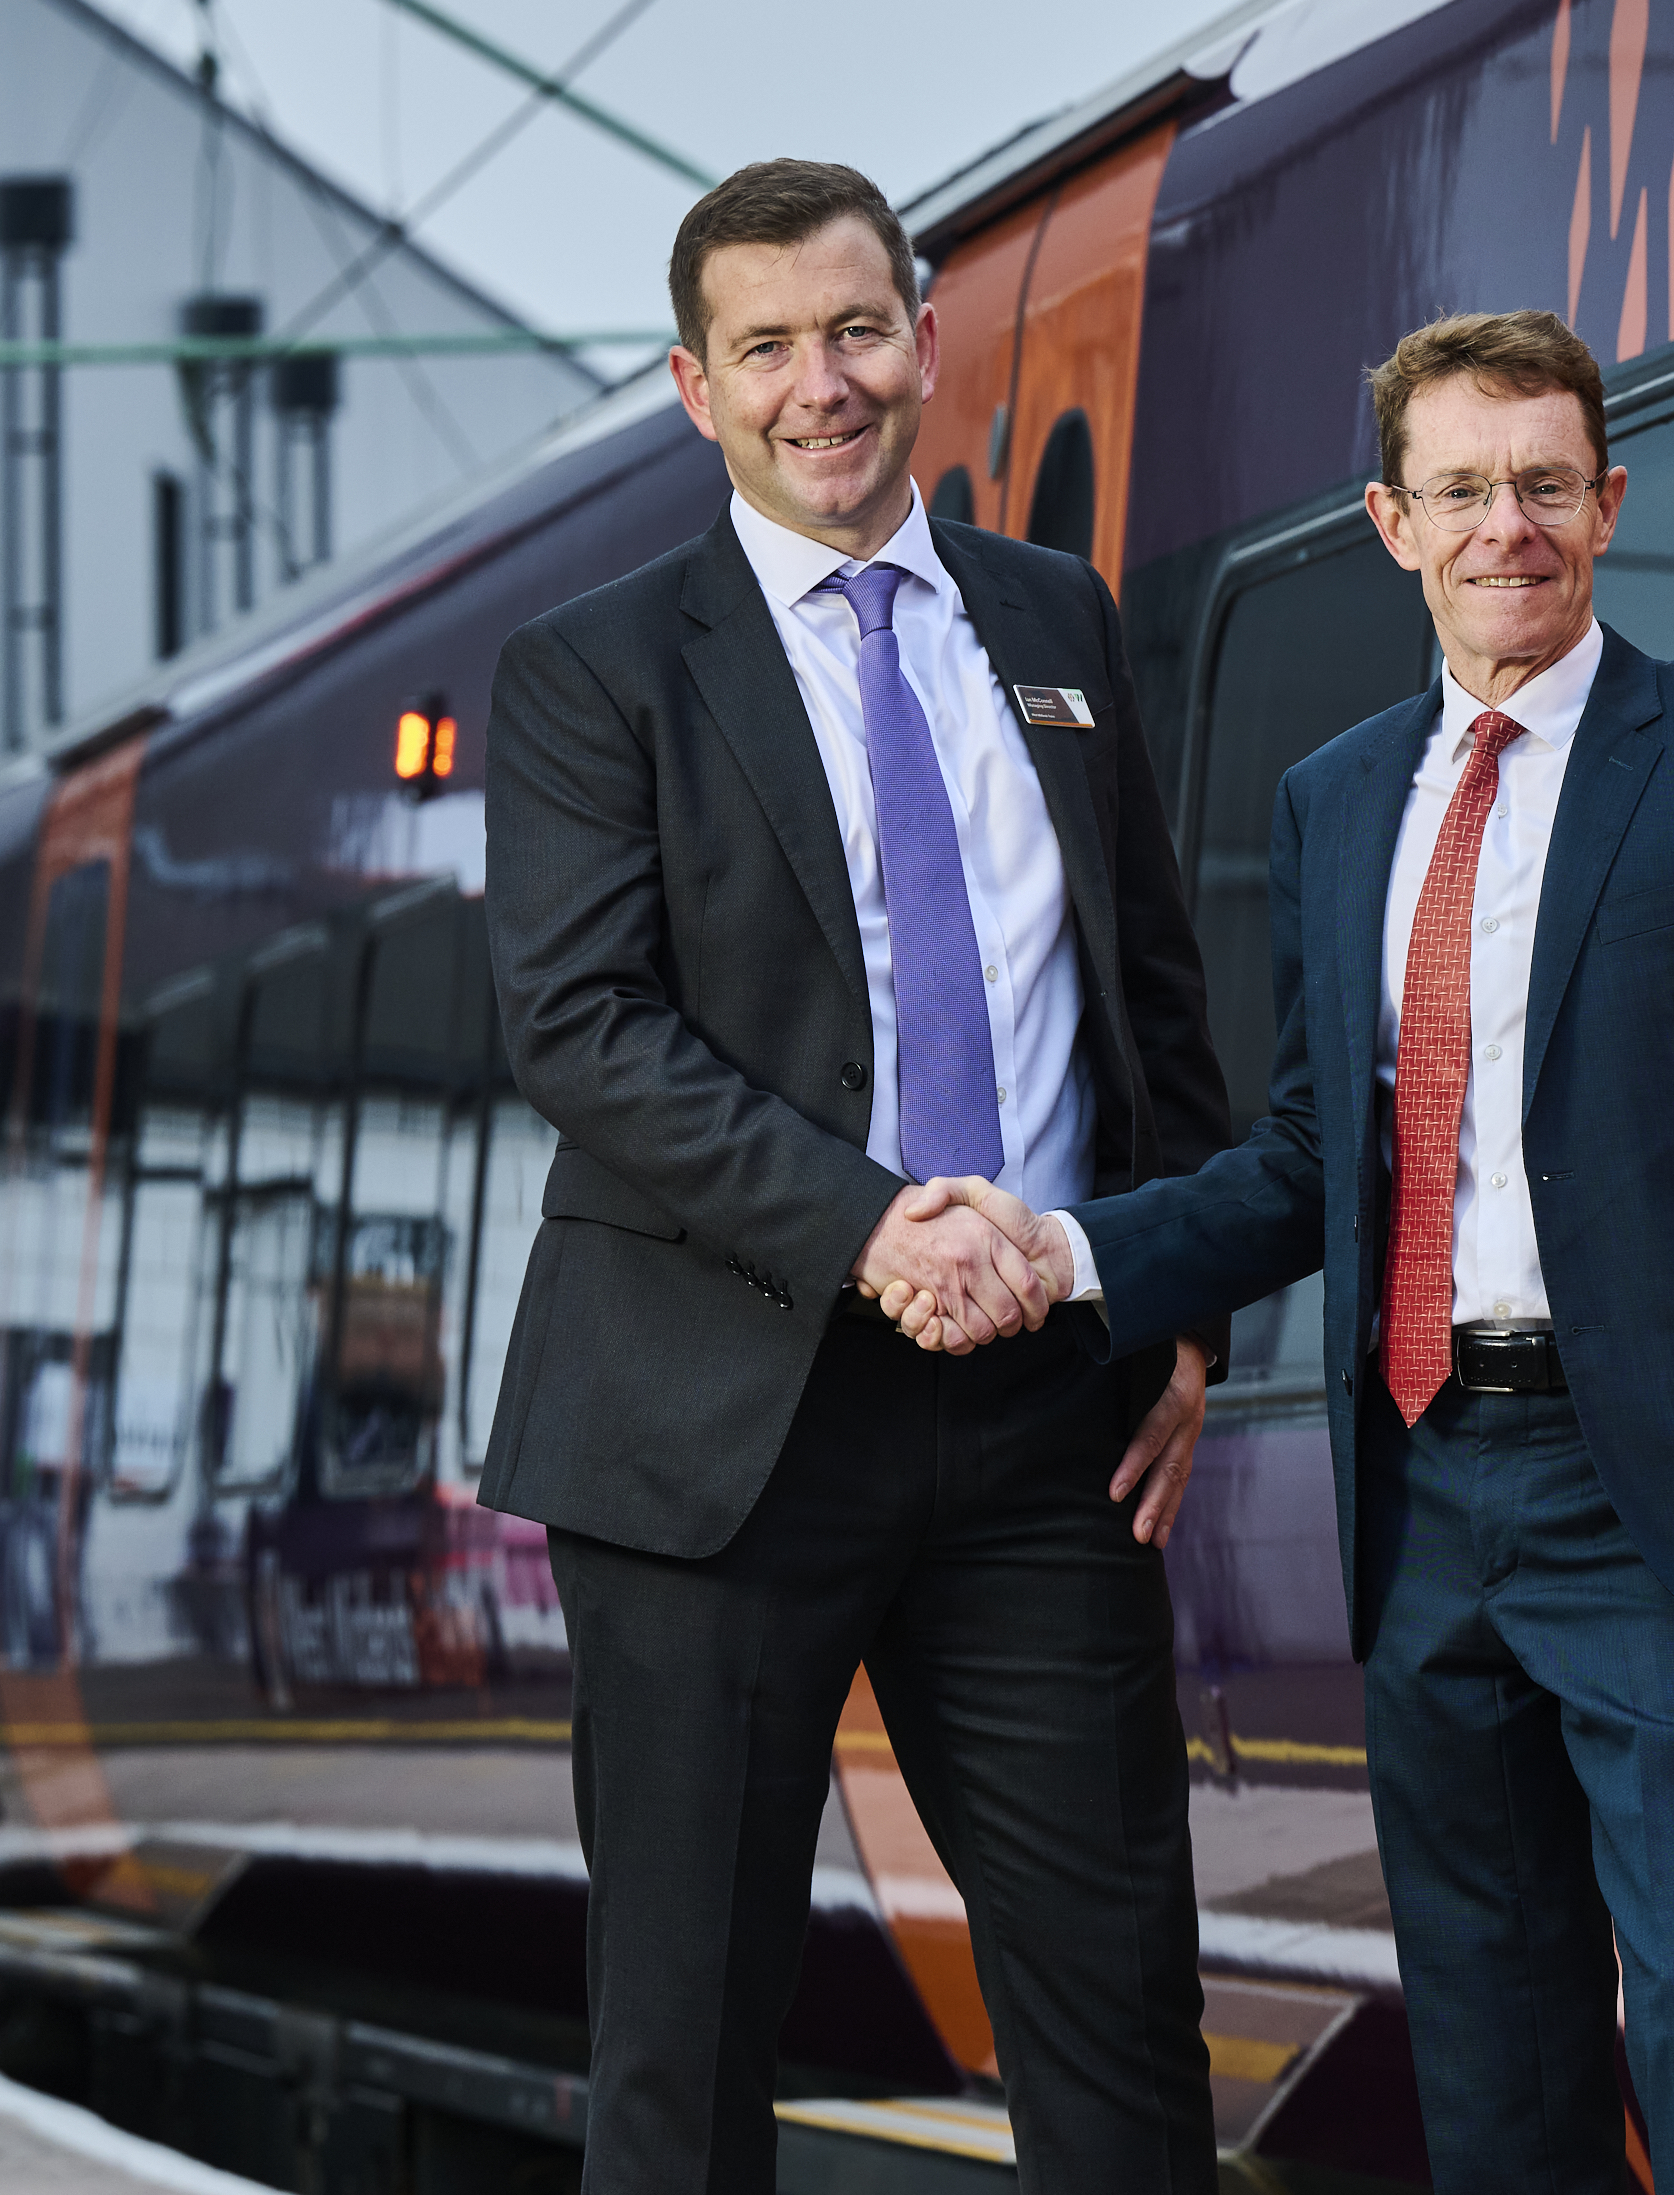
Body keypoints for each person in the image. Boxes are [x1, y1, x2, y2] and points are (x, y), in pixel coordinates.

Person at [887, 309, 1674, 2195]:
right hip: (1430, 1485)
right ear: (1391, 521)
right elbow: (1307, 1155)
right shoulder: (1338, 797)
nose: (1503, 526)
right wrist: (1066, 1250)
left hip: (1662, 1486)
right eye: (1460, 489)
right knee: (1489, 2012)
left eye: (1542, 484)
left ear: (1609, 505)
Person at [481, 158, 1231, 2194]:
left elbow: (1148, 997)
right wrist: (867, 1226)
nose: (825, 384)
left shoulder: (1054, 617)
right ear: (693, 386)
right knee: (690, 2032)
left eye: (858, 331)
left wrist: (1176, 1315)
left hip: (1040, 1429)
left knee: (1118, 2020)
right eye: (769, 348)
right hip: (717, 1434)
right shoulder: (594, 670)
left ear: (922, 344)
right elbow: (583, 1031)